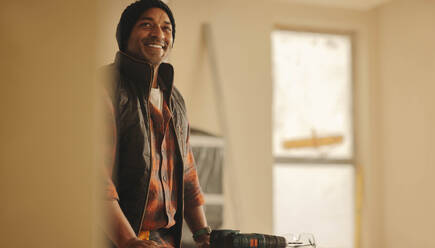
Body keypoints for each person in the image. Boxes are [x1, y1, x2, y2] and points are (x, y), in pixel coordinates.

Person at [101, 1, 210, 247]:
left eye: (166, 28)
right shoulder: (105, 87)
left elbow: (188, 177)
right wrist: (128, 240)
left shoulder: (176, 99)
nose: (158, 34)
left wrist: (204, 235)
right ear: (125, 35)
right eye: (146, 25)